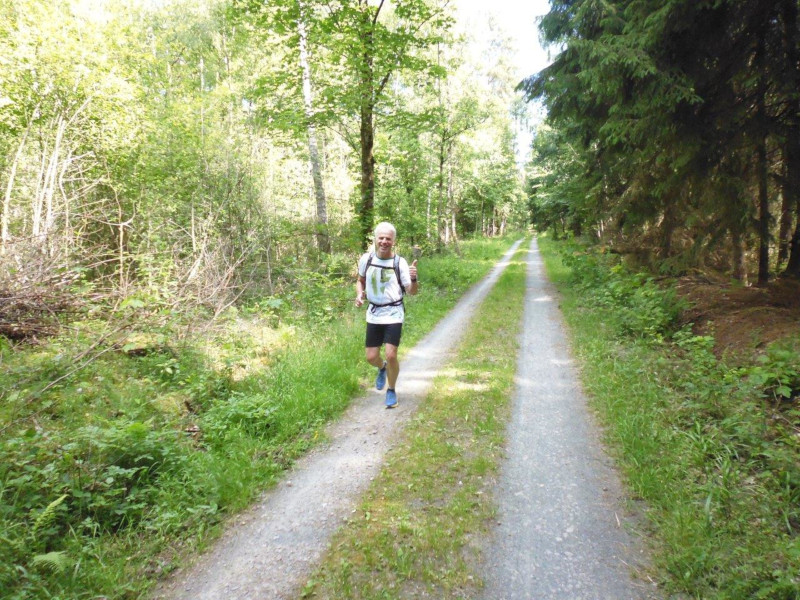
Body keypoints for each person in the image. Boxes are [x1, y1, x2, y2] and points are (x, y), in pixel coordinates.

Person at [355, 222, 418, 408]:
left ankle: (391, 389)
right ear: (375, 239)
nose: (384, 242)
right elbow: (360, 280)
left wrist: (413, 278)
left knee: (391, 355)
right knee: (371, 357)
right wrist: (359, 294)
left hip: (393, 313)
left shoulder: (399, 263)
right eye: (381, 238)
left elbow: (412, 291)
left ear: (393, 241)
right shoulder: (366, 259)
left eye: (388, 239)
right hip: (374, 313)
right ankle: (382, 368)